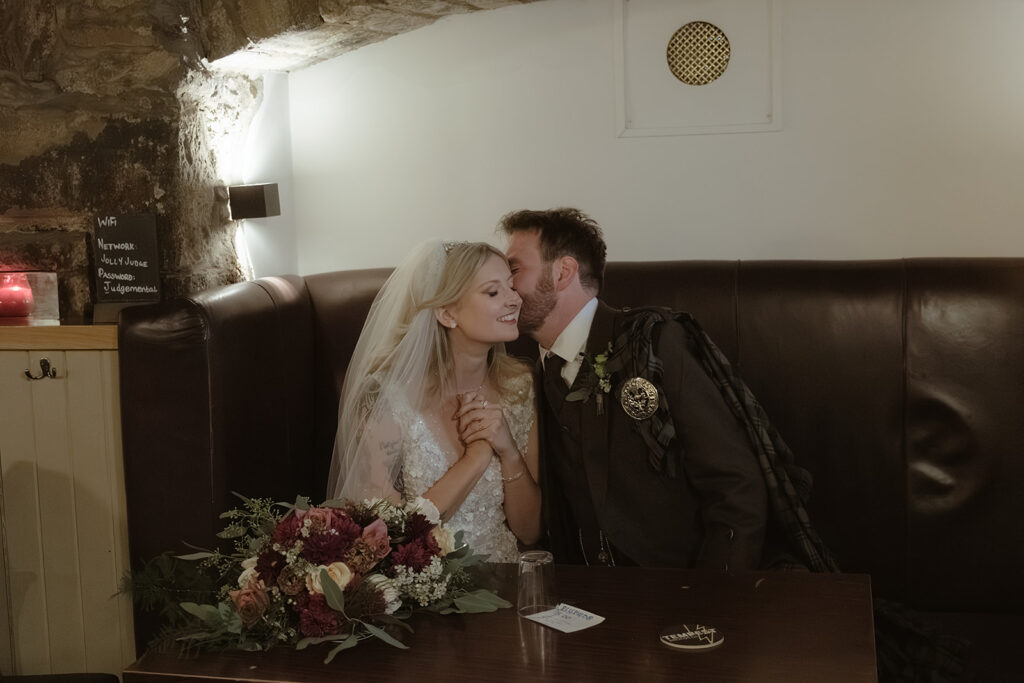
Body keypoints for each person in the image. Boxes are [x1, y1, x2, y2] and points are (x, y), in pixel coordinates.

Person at [501, 208, 769, 569]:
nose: (505, 287)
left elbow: (734, 485)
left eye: (513, 270)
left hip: (680, 584)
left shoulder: (654, 343)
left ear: (563, 272)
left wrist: (714, 591)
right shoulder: (527, 377)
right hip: (579, 590)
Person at [327, 240, 541, 562]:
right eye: (493, 292)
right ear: (447, 313)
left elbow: (530, 532)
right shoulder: (385, 400)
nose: (515, 299)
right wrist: (476, 458)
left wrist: (509, 452)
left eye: (511, 287)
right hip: (425, 583)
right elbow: (387, 535)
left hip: (508, 576)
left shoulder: (520, 388)